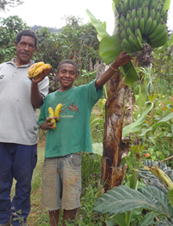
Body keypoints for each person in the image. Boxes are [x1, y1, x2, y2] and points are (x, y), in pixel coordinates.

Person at [38, 51, 132, 226]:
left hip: (72, 155)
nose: (67, 75)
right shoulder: (49, 98)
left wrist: (116, 64)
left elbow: (99, 81)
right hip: (51, 154)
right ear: (57, 74)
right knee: (51, 199)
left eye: (71, 72)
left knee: (71, 198)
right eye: (63, 72)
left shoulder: (83, 93)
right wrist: (47, 124)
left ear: (76, 76)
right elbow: (41, 122)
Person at [0, 29, 51, 226]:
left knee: (23, 186)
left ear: (34, 49)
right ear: (16, 45)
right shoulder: (1, 68)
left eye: (30, 45)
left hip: (25, 139)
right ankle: (2, 221)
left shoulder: (40, 73)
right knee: (0, 186)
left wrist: (35, 83)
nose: (26, 48)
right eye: (23, 44)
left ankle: (18, 221)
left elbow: (37, 103)